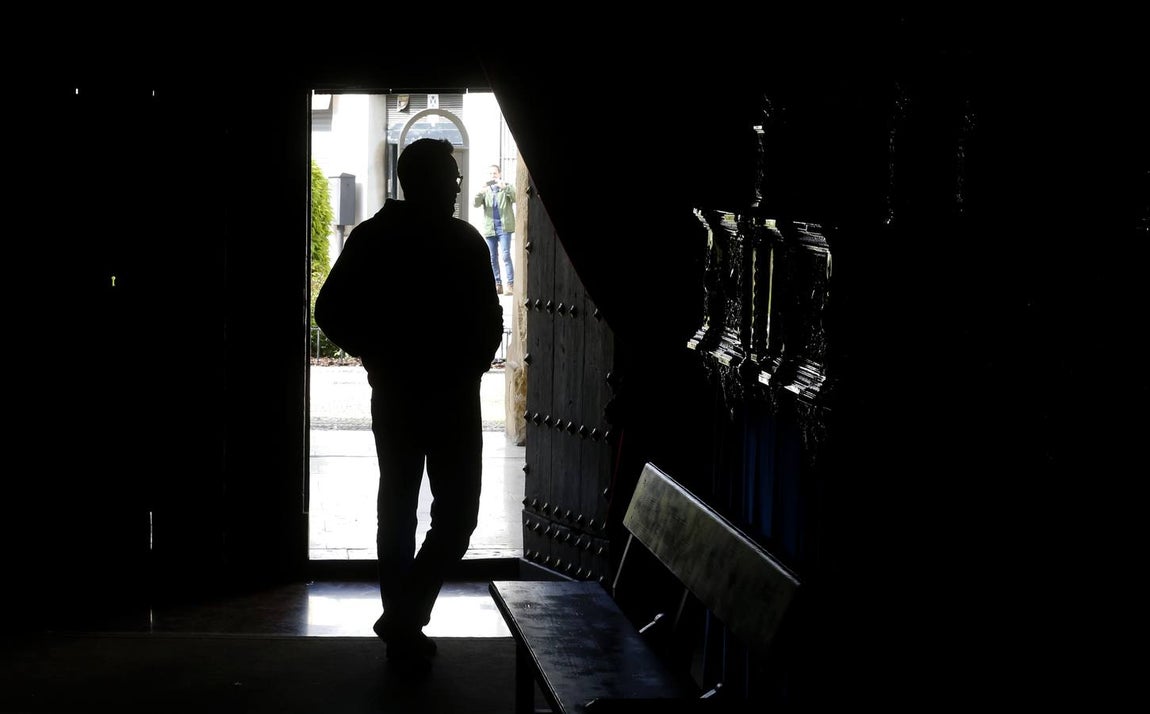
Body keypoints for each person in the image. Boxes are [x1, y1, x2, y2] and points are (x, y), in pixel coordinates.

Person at [314, 138, 504, 673]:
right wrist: (472, 363)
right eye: (451, 175)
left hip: (396, 394)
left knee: (397, 509)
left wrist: (375, 352)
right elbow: (490, 321)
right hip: (453, 398)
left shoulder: (373, 238)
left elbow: (328, 310)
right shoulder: (465, 242)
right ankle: (406, 617)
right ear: (426, 180)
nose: (460, 184)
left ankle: (400, 619)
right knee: (458, 514)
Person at [473, 164, 516, 294]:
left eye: (495, 174)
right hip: (490, 228)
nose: (493, 176)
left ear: (500, 174)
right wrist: (480, 191)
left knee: (506, 255)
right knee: (492, 257)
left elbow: (515, 197)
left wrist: (506, 188)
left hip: (504, 228)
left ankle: (511, 284)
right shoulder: (485, 190)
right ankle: (497, 284)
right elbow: (475, 204)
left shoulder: (506, 187)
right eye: (490, 174)